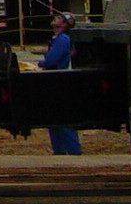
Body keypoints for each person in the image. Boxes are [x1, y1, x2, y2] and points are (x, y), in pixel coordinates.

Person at [39, 12, 82, 155]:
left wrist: (42, 62)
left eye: (59, 18)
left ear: (64, 25)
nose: (55, 19)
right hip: (56, 80)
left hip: (60, 81)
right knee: (54, 119)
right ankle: (60, 151)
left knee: (62, 118)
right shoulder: (56, 39)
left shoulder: (62, 39)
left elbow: (51, 60)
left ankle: (73, 151)